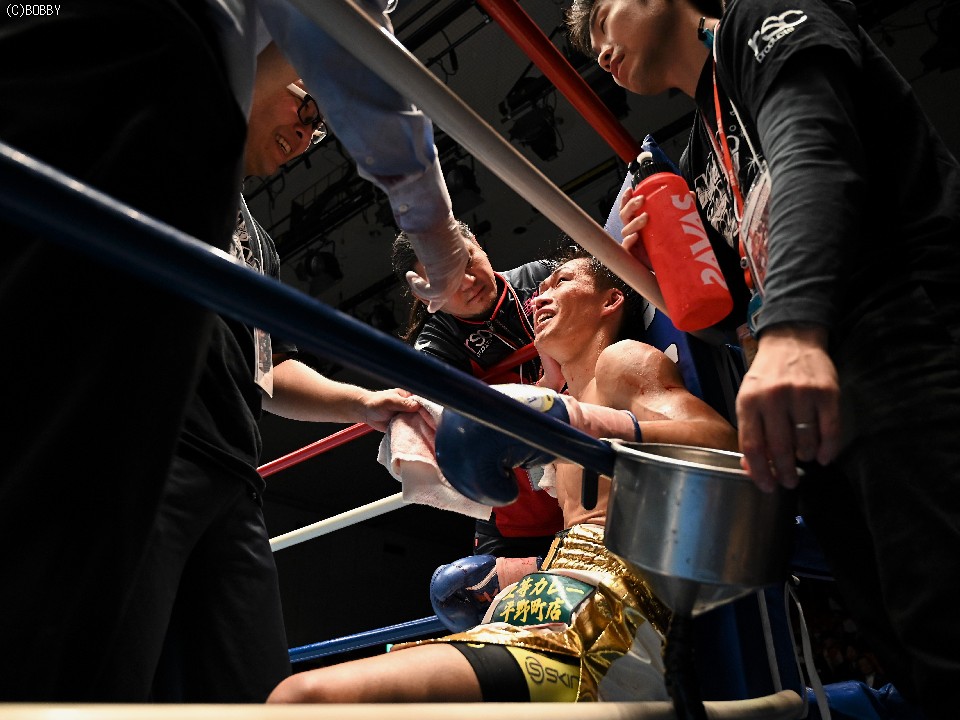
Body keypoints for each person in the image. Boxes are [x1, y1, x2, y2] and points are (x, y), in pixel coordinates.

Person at [0, 0, 471, 701]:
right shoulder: (147, 103)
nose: (307, 134)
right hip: (151, 440)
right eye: (304, 108)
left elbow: (267, 370)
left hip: (233, 477)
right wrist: (436, 234)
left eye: (318, 124)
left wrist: (364, 402)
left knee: (252, 692)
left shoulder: (247, 231)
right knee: (87, 668)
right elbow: (343, 35)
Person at [566, 0, 960, 715]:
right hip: (821, 384)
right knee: (893, 623)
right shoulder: (699, 153)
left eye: (602, 19)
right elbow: (741, 306)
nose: (600, 51)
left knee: (941, 604)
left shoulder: (761, 20)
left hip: (903, 325)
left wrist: (791, 332)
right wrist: (672, 269)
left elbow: (816, 150)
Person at [267, 246, 739, 704]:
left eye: (562, 282)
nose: (541, 293)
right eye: (543, 286)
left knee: (305, 697)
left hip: (604, 613)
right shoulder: (554, 395)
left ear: (610, 301)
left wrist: (585, 424)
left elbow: (722, 443)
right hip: (555, 592)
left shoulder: (619, 362)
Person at [392, 225, 564, 559]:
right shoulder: (435, 350)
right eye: (444, 280)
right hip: (520, 524)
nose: (467, 282)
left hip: (597, 480)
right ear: (425, 295)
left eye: (467, 260)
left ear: (478, 244)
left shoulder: (544, 277)